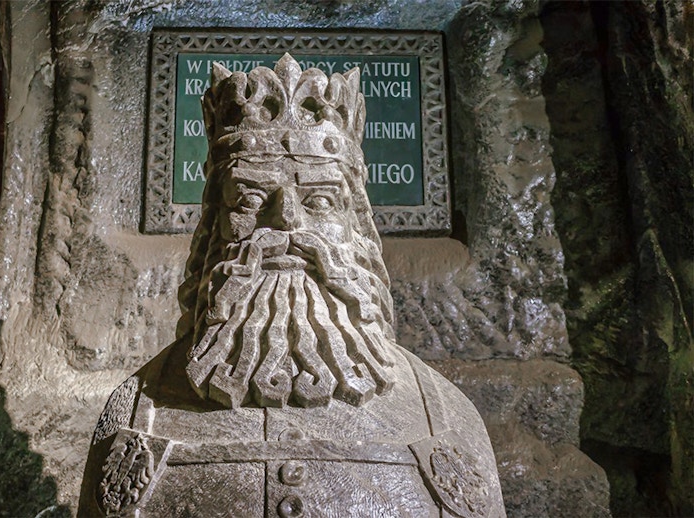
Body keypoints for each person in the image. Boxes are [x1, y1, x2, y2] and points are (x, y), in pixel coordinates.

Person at [79, 54, 505, 518]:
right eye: (250, 199)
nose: (285, 221)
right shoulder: (137, 411)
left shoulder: (444, 416)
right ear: (213, 229)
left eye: (319, 200)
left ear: (357, 227)